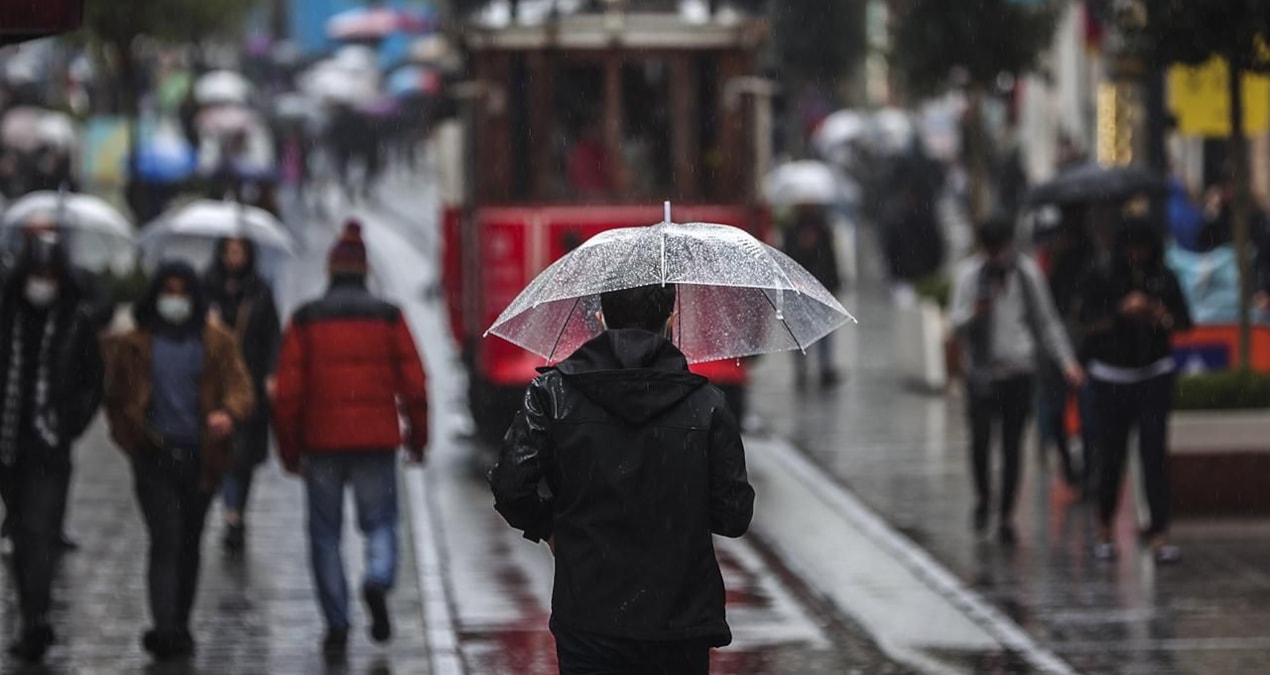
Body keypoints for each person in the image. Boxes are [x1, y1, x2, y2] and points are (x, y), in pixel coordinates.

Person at [489, 283, 755, 675]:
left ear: (600, 321)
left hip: (589, 619)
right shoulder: (707, 405)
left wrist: (550, 528)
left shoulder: (553, 394)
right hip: (678, 624)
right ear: (670, 322)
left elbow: (511, 484)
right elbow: (733, 515)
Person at [272, 220, 429, 660]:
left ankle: (337, 623)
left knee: (325, 534)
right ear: (363, 271)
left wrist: (289, 450)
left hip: (321, 444)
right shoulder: (389, 316)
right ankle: (377, 578)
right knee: (381, 522)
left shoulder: (305, 319)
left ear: (330, 271)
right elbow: (415, 385)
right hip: (377, 440)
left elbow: (287, 394)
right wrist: (418, 438)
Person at [102, 261, 255, 660]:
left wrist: (228, 415)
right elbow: (116, 397)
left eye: (181, 291)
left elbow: (241, 387)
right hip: (153, 457)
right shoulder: (137, 343)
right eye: (167, 291)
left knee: (188, 542)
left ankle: (180, 623)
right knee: (165, 539)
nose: (174, 300)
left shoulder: (215, 341)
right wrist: (130, 437)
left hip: (200, 458)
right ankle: (165, 627)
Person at [950, 217, 1084, 545]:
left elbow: (1046, 320)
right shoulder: (970, 275)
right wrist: (974, 313)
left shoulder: (1027, 275)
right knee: (980, 442)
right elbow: (955, 322)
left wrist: (1067, 362)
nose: (996, 257)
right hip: (981, 373)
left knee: (1013, 445)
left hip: (1019, 372)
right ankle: (984, 497)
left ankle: (1007, 513)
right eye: (991, 250)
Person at [0, 233, 102, 662]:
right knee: (22, 534)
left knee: (38, 534)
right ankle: (30, 611)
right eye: (36, 274)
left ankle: (36, 618)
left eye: (50, 275)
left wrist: (66, 424)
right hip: (7, 444)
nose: (42, 283)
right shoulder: (6, 316)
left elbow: (91, 384)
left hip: (48, 447)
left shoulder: (75, 323)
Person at [1075, 217, 1193, 563]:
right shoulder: (1101, 274)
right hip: (1111, 377)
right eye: (1131, 249)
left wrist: (1159, 314)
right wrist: (1120, 312)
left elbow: (1184, 321)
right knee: (1110, 456)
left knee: (1154, 456)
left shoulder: (1163, 277)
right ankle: (1104, 529)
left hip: (1154, 374)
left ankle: (1159, 532)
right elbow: (1083, 321)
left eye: (1143, 249)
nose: (1137, 256)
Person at [203, 237, 281, 553]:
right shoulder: (206, 287)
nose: (234, 257)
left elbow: (273, 335)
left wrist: (271, 374)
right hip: (214, 384)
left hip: (249, 383)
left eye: (240, 252)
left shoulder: (260, 289)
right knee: (222, 450)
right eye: (229, 251)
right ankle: (230, 512)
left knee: (243, 455)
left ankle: (236, 512)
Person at [782, 204, 842, 387]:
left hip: (820, 285)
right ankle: (801, 370)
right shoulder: (792, 229)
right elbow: (788, 258)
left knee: (824, 330)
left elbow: (829, 257)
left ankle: (825, 368)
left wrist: (834, 282)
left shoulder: (822, 227)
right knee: (800, 331)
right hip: (799, 288)